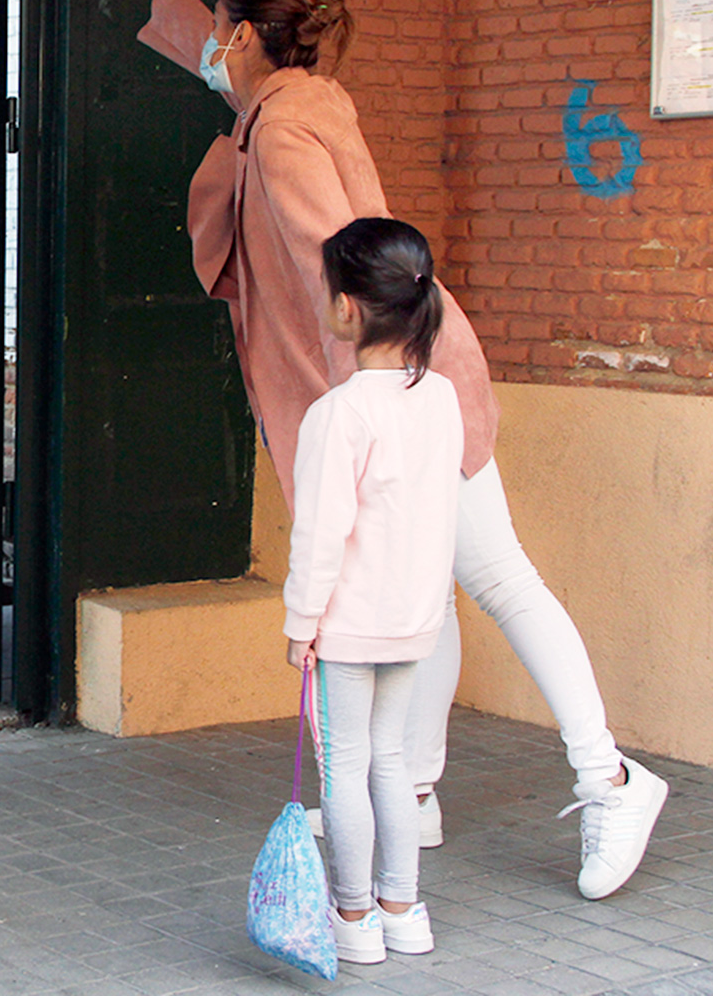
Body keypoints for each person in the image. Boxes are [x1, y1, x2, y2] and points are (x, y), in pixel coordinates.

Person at [95, 0, 669, 901]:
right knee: (438, 592)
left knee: (497, 577)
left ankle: (609, 776)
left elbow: (347, 268)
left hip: (397, 389)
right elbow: (222, 72)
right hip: (406, 383)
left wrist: (363, 417)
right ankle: (413, 787)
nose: (218, 54)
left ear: (246, 42)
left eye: (224, 37)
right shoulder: (293, 101)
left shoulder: (277, 132)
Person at [285, 217, 463, 964]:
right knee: (392, 761)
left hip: (349, 625)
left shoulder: (339, 414)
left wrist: (301, 621)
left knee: (346, 767)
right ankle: (403, 908)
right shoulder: (444, 398)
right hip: (414, 618)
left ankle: (353, 918)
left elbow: (321, 534)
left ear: (348, 307)